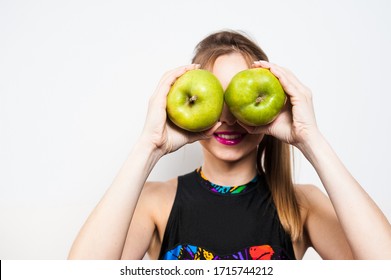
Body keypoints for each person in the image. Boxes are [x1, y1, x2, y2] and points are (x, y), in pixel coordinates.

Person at [68, 30, 391, 260]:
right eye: (216, 97)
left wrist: (311, 139)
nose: (229, 118)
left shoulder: (302, 205)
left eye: (238, 98)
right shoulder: (155, 201)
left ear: (270, 101)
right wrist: (148, 147)